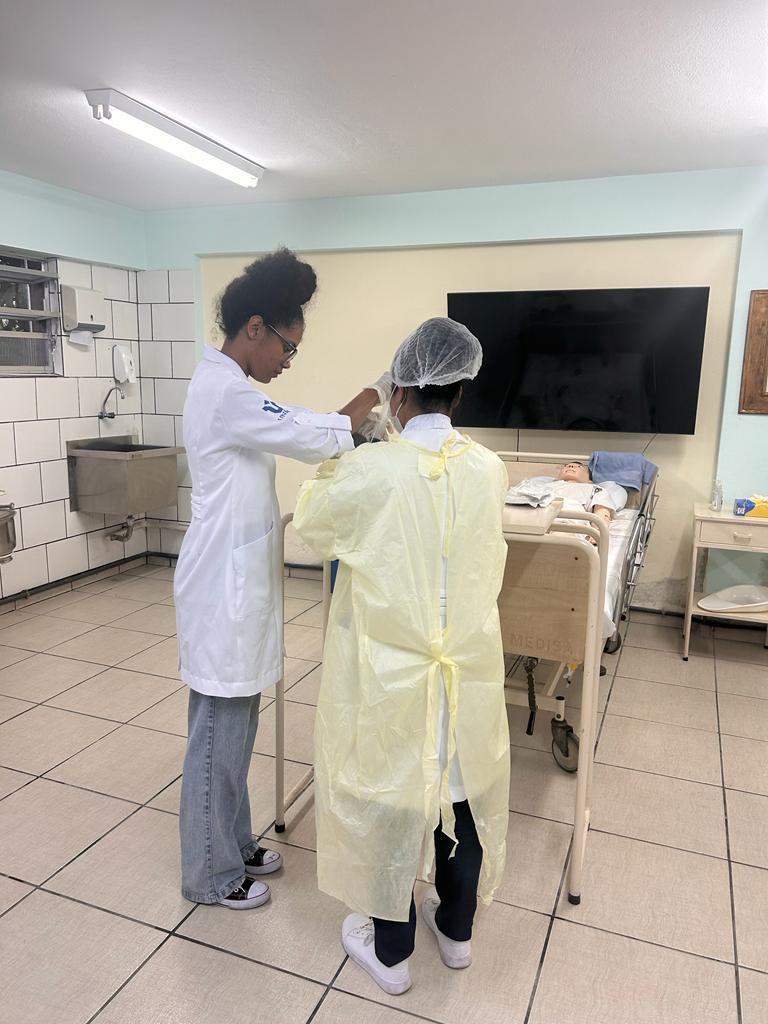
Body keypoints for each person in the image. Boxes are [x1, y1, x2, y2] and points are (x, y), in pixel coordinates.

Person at [293, 317, 511, 995]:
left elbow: (312, 523)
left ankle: (390, 953)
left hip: (392, 676)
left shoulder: (372, 469)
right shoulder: (488, 468)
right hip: (464, 673)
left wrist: (349, 448)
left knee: (392, 799)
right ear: (460, 393)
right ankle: (457, 932)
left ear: (398, 395)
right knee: (460, 791)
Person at [174, 248, 393, 910]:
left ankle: (233, 841)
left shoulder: (232, 389)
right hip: (221, 590)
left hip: (235, 585)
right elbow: (307, 432)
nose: (289, 361)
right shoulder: (224, 392)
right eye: (288, 347)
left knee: (237, 726)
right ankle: (209, 873)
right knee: (219, 731)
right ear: (255, 327)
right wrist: (380, 389)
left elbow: (301, 429)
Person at [507, 461, 627, 540]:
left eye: (579, 467)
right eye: (567, 466)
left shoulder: (594, 489)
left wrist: (596, 532)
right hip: (534, 513)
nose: (571, 466)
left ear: (589, 480)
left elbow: (602, 513)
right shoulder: (543, 486)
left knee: (560, 539)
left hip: (566, 517)